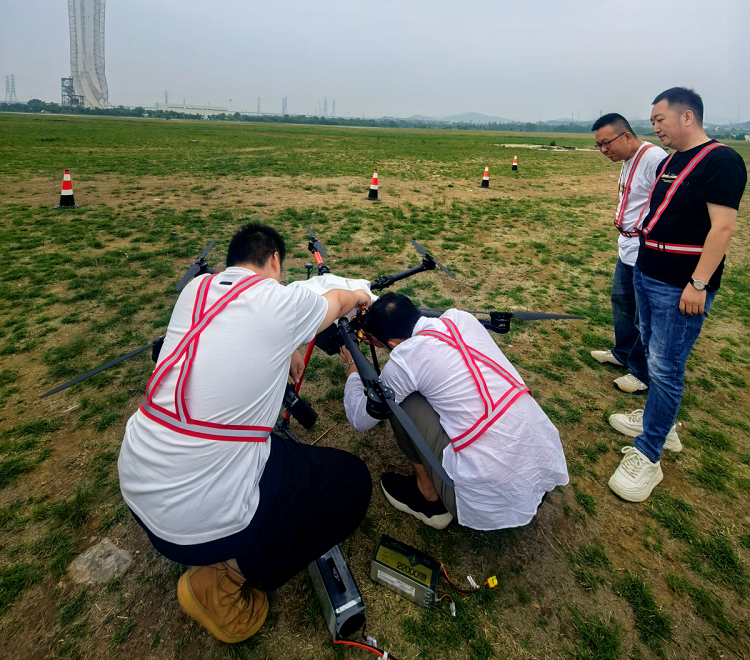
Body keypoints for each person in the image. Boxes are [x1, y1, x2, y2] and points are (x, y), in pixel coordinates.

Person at [118, 223, 373, 644]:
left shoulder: (196, 290)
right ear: (274, 260)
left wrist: (286, 346)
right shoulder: (278, 301)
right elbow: (337, 300)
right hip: (190, 521)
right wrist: (360, 294)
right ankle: (223, 581)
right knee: (351, 482)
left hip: (138, 483)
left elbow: (232, 332)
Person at [607, 88, 747, 502]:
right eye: (653, 121)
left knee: (667, 367)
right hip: (648, 270)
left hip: (680, 284)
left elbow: (722, 228)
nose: (655, 128)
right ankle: (660, 423)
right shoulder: (671, 161)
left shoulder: (721, 160)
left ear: (687, 116)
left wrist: (699, 283)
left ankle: (649, 454)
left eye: (659, 119)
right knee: (652, 352)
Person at [341, 293, 568, 531]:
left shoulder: (404, 362)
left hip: (487, 501)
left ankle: (427, 496)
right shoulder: (461, 318)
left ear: (394, 344)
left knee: (400, 401)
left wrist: (352, 367)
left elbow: (360, 419)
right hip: (541, 466)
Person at [590, 113, 667, 393]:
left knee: (643, 317)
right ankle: (622, 353)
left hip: (645, 251)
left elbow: (668, 204)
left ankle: (642, 373)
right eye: (599, 145)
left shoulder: (654, 158)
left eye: (606, 143)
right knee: (622, 303)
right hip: (627, 248)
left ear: (626, 136)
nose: (603, 150)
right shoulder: (627, 160)